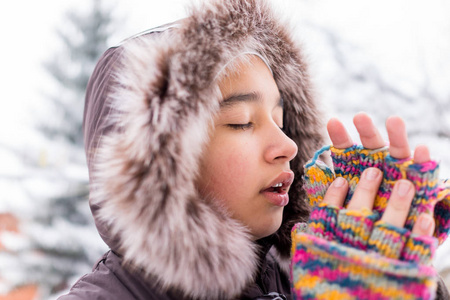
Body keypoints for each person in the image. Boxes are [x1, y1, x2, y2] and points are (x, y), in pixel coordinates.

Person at [59, 0, 449, 299]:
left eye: (282, 121)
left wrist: (400, 273)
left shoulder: (312, 277)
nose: (288, 145)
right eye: (242, 121)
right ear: (157, 164)